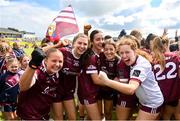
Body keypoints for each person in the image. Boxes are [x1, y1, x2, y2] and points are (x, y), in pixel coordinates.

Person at [99, 35, 164, 120]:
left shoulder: (140, 65)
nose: (124, 56)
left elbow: (131, 89)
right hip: (146, 101)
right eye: (121, 53)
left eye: (127, 52)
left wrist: (106, 81)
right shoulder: (133, 61)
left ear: (134, 51)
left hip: (152, 103)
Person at [17, 48, 63, 120]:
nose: (57, 64)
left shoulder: (56, 74)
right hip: (29, 116)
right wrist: (32, 65)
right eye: (54, 61)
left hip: (43, 115)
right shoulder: (37, 71)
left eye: (60, 61)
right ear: (45, 61)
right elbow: (23, 86)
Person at [51, 33, 89, 120]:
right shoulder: (63, 51)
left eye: (85, 44)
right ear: (73, 43)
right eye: (79, 43)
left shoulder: (85, 58)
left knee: (73, 118)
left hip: (69, 92)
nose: (82, 46)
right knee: (59, 118)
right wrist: (57, 45)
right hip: (56, 90)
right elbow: (45, 53)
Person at [77, 30, 104, 120]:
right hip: (88, 93)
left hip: (94, 92)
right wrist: (115, 83)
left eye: (102, 39)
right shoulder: (91, 57)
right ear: (91, 42)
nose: (101, 41)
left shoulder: (98, 54)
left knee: (91, 118)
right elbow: (96, 80)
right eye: (98, 39)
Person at [151, 36, 180, 120]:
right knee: (167, 116)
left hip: (157, 95)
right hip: (172, 94)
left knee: (156, 117)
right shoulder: (175, 56)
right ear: (165, 45)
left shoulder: (153, 59)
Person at [97, 38, 119, 120]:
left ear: (115, 49)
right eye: (106, 49)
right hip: (98, 89)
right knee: (99, 113)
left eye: (111, 49)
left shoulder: (118, 61)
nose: (108, 52)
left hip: (110, 90)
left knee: (108, 112)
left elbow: (118, 78)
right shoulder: (100, 56)